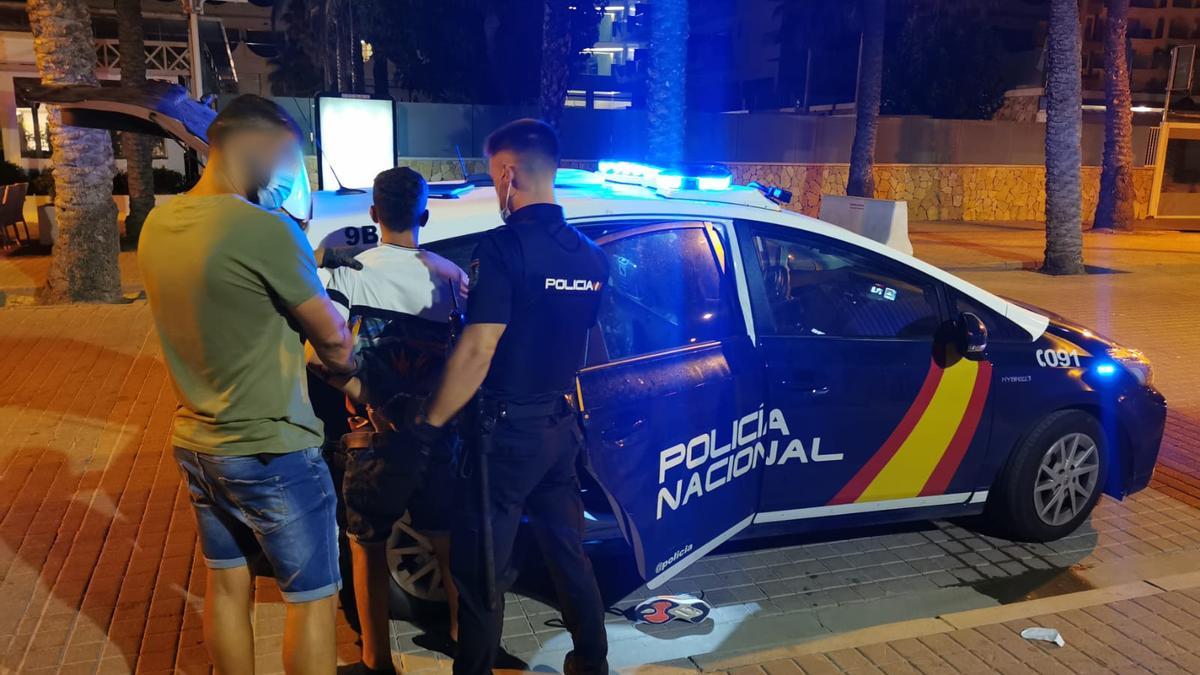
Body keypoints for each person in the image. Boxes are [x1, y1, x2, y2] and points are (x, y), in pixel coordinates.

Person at [138, 94, 356, 675]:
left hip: (199, 443)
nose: (289, 174)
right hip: (273, 448)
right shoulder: (265, 230)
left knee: (225, 585)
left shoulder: (160, 222)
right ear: (257, 147)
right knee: (312, 603)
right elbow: (334, 342)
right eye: (287, 158)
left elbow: (229, 302)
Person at [413, 119, 611, 675]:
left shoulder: (502, 249)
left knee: (480, 574)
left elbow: (478, 351)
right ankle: (591, 661)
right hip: (557, 426)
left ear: (506, 174)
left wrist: (428, 426)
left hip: (503, 436)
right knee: (568, 553)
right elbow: (571, 332)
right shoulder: (593, 257)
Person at [310, 167, 467, 674]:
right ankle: (464, 641)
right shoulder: (451, 277)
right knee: (447, 542)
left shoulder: (345, 273)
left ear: (374, 215)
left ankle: (376, 659)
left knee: (367, 548)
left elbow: (318, 358)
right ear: (424, 214)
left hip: (370, 439)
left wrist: (370, 396)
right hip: (436, 436)